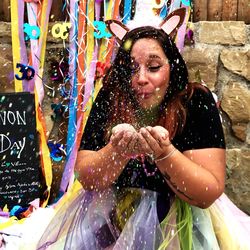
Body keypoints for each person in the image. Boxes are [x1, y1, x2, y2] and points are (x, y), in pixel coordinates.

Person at [36, 9, 249, 250]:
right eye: (131, 68)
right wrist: (116, 151)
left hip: (180, 226)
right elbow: (87, 178)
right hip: (109, 218)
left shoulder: (195, 101)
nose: (141, 78)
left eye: (154, 67)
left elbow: (208, 191)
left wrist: (165, 154)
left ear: (173, 66)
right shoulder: (110, 96)